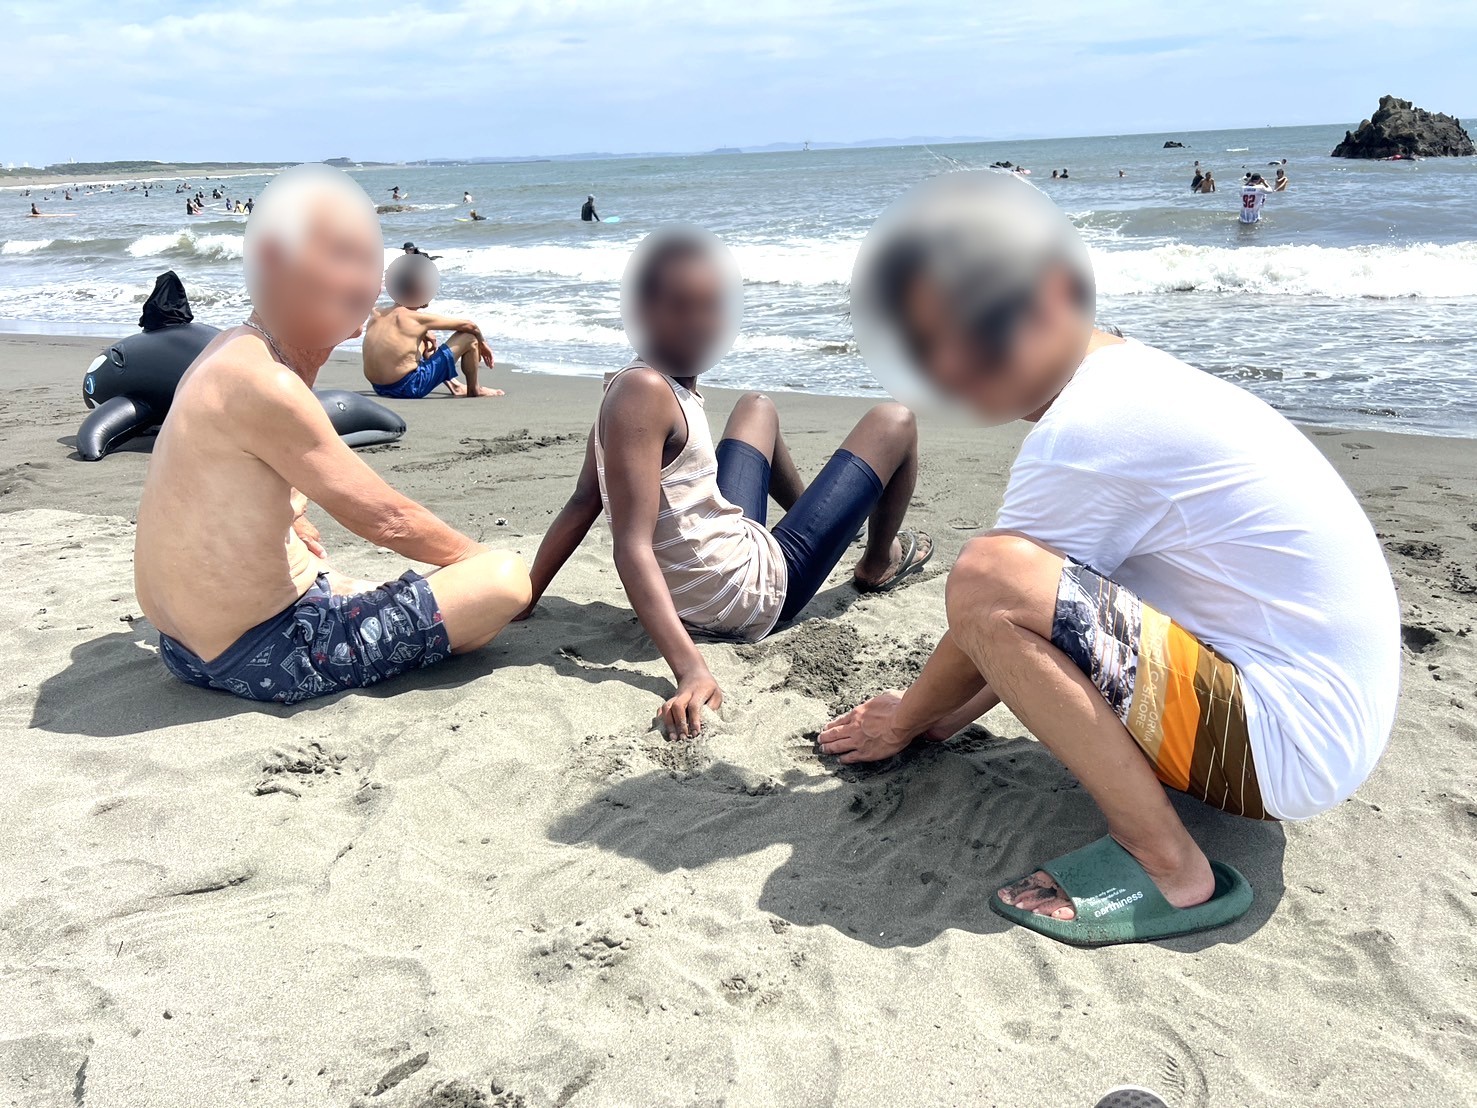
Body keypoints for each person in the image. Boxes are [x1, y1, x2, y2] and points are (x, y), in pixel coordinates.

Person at [821, 170, 1399, 946]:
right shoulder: (1129, 382)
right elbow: (1049, 616)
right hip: (1311, 725)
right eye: (929, 345)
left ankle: (1168, 867)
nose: (952, 363)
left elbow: (997, 602)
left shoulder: (1087, 428)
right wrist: (939, 719)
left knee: (989, 572)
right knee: (1013, 578)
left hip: (1283, 745)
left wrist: (902, 721)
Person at [134, 164, 530, 705]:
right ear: (272, 258)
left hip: (182, 647)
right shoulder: (267, 383)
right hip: (263, 652)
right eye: (342, 256)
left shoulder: (227, 349)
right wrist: (474, 560)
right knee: (505, 580)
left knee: (446, 605)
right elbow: (389, 520)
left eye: (370, 263)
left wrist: (292, 516)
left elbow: (220, 480)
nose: (364, 282)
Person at [519, 227, 933, 739]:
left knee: (757, 407)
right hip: (747, 596)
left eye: (711, 307)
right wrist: (690, 669)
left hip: (720, 565)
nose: (700, 323)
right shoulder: (645, 393)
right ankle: (876, 561)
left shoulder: (629, 386)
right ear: (641, 313)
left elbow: (584, 500)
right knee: (896, 421)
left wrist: (527, 594)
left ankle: (822, 526)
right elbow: (630, 545)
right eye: (681, 307)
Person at [363, 257, 503, 400]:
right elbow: (469, 326)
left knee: (424, 340)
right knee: (469, 338)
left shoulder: (377, 313)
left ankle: (455, 385)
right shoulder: (416, 319)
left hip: (379, 388)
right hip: (409, 387)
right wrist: (483, 343)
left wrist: (425, 333)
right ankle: (475, 389)